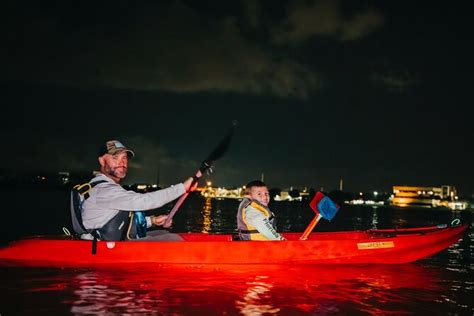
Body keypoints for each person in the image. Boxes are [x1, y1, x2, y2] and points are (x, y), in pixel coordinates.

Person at [80, 139, 199, 241]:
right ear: (102, 161)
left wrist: (152, 221)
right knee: (172, 240)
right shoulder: (103, 190)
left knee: (164, 234)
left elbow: (120, 221)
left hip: (113, 241)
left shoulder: (106, 187)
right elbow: (143, 201)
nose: (122, 163)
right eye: (115, 157)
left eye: (124, 158)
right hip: (102, 248)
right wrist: (183, 187)